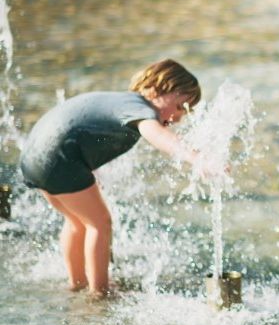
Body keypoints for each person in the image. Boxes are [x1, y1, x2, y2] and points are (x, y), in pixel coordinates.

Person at [19, 59, 204, 297]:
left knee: (78, 222)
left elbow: (81, 125)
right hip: (60, 158)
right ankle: (100, 293)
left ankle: (76, 283)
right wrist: (196, 157)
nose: (179, 118)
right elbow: (157, 135)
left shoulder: (122, 103)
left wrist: (89, 169)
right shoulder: (141, 109)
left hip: (35, 157)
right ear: (156, 89)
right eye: (179, 107)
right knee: (100, 223)